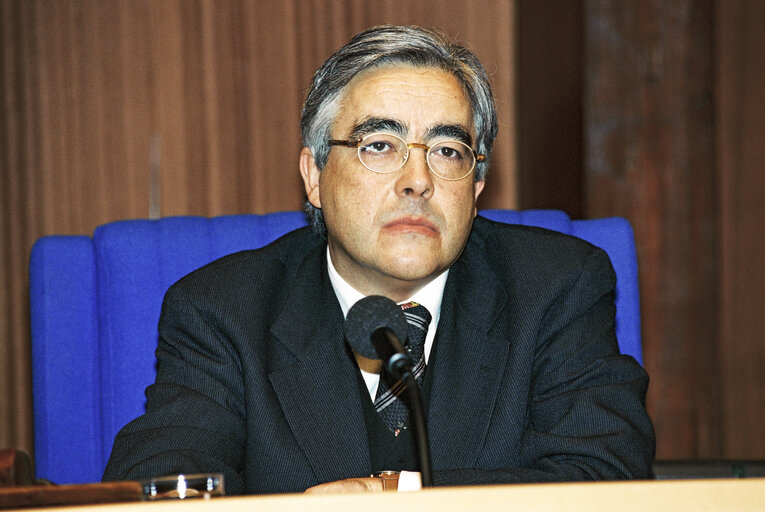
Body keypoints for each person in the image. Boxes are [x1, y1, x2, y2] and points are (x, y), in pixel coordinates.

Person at [103, 25, 654, 494]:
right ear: (314, 176)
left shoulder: (556, 287)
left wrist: (392, 493)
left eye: (447, 151)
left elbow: (603, 479)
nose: (418, 181)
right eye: (380, 145)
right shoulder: (222, 312)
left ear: (478, 183)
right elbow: (164, 485)